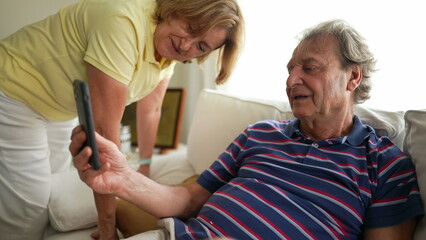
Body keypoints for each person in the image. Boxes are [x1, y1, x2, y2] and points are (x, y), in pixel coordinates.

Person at [70, 19, 423, 239]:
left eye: (309, 68)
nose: (291, 79)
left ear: (353, 76)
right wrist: (120, 178)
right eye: (290, 68)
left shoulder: (385, 164)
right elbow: (188, 199)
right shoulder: (260, 133)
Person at [0, 0, 244, 239]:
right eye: (190, 27)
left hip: (59, 107)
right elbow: (104, 132)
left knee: (53, 188)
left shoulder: (169, 48)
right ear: (177, 8)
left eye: (201, 45)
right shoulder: (122, 21)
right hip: (12, 90)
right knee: (28, 207)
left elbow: (152, 109)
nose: (186, 45)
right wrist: (108, 227)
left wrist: (145, 167)